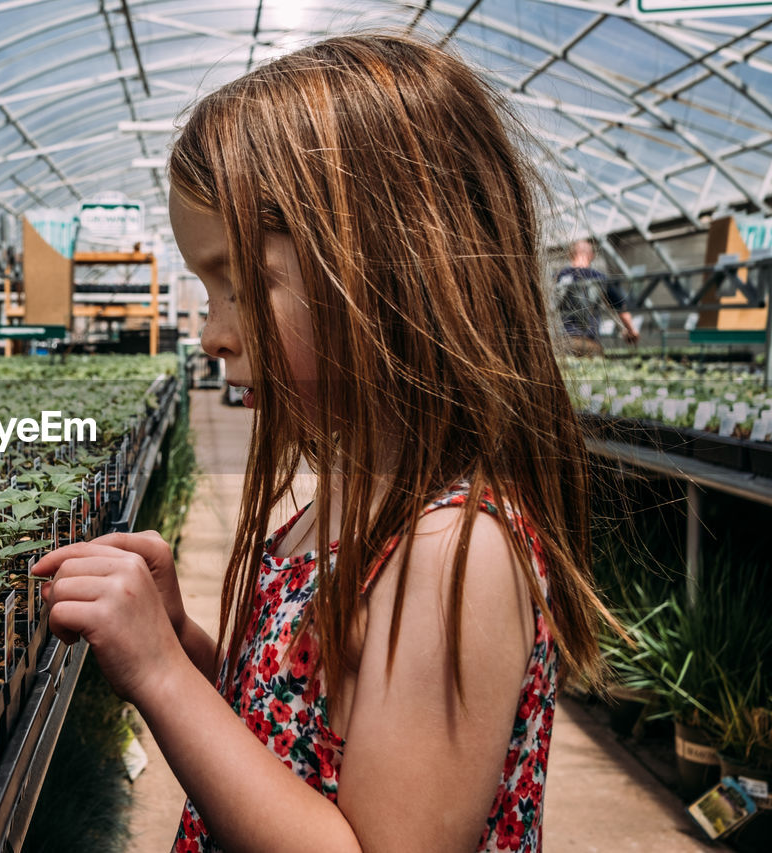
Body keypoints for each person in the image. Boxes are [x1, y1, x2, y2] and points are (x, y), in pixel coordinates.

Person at [32, 34, 617, 852]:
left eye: (239, 283)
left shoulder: (452, 553)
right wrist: (181, 641)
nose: (211, 334)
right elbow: (287, 735)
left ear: (386, 268)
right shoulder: (349, 496)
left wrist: (162, 677)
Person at [555, 239, 639, 356]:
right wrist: (631, 330)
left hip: (565, 342)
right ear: (592, 256)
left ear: (570, 254)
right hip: (590, 342)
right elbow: (621, 307)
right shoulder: (599, 277)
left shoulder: (560, 276)